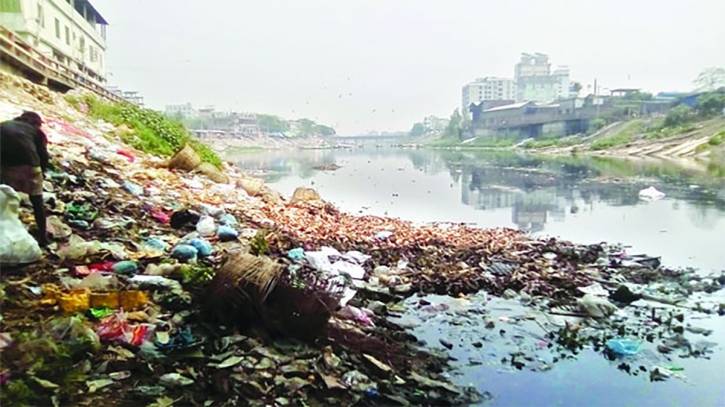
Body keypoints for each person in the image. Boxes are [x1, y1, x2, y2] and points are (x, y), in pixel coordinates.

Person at [0, 111, 49, 247]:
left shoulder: (3, 125)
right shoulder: (37, 132)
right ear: (36, 123)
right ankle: (43, 238)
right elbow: (43, 156)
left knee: (4, 196)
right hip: (30, 166)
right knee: (37, 202)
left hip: (6, 166)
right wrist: (41, 172)